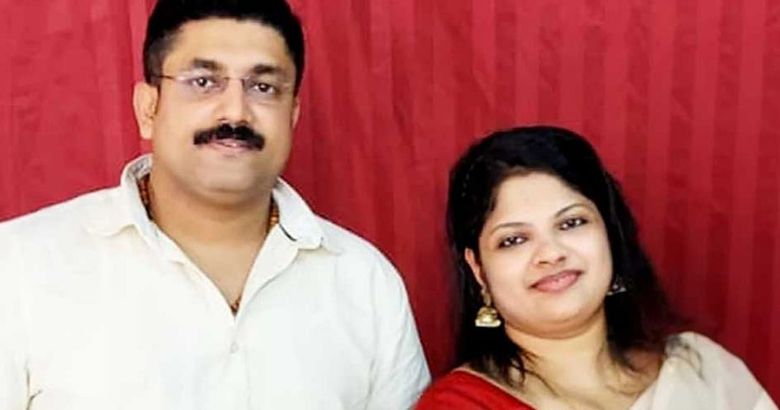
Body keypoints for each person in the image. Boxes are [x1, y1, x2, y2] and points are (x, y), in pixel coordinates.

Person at [0, 0, 430, 408]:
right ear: (148, 108)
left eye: (263, 87)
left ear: (293, 115)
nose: (236, 112)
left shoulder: (363, 282)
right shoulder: (21, 267)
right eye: (204, 82)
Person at [416, 126, 776, 409]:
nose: (550, 253)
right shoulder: (458, 406)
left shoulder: (700, 369)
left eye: (571, 223)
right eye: (514, 240)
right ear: (479, 270)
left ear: (611, 236)